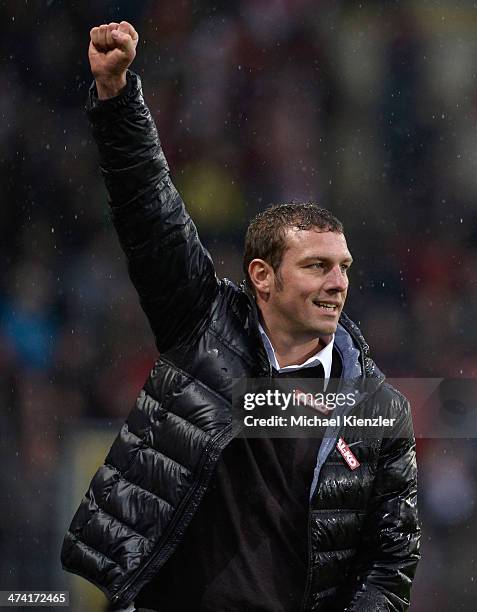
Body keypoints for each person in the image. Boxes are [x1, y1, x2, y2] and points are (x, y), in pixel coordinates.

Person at [61, 21, 420, 611]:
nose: (339, 283)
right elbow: (150, 212)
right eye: (317, 267)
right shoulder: (205, 326)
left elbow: (391, 562)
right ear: (262, 277)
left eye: (345, 267)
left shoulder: (379, 411)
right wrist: (118, 97)